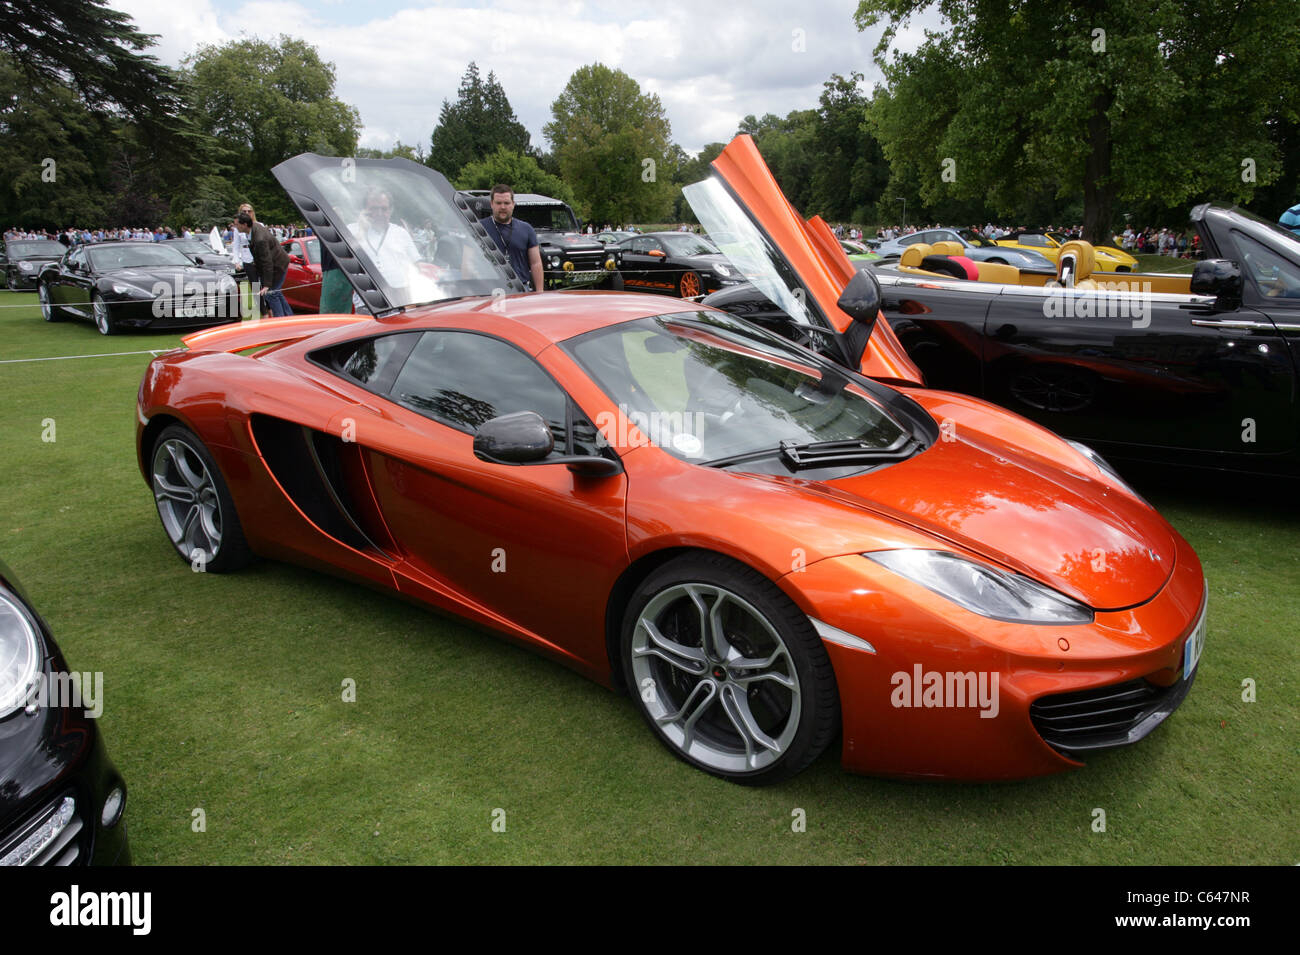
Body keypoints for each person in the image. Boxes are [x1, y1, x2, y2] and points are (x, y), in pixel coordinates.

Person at [344, 187, 423, 307]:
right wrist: (362, 227)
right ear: (364, 210)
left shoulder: (400, 233)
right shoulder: (351, 230)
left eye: (384, 209)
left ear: (390, 210)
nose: (379, 213)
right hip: (368, 305)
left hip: (402, 302)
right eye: (374, 209)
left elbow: (416, 267)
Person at [478, 184, 543, 291]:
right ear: (491, 204)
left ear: (513, 204)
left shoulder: (527, 229)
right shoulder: (478, 228)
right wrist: (469, 294)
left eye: (506, 203)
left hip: (521, 288)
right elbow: (469, 261)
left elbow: (536, 263)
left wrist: (540, 291)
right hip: (489, 289)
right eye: (498, 203)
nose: (503, 207)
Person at [235, 211, 291, 317]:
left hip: (278, 264)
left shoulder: (259, 239)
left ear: (244, 225)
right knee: (276, 292)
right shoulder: (253, 229)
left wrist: (266, 285)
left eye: (237, 224)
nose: (235, 227)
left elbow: (267, 262)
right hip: (278, 263)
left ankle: (280, 322)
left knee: (271, 294)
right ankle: (289, 318)